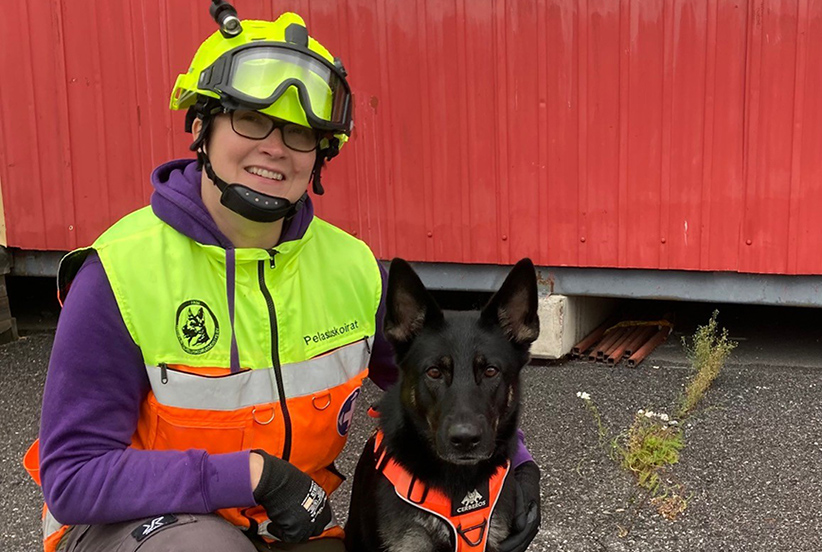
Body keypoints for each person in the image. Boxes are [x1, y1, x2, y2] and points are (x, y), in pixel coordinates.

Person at [25, 5, 541, 552]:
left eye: (299, 133)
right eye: (251, 119)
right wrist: (253, 475)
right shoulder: (121, 275)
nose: (275, 146)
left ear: (320, 154)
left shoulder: (354, 270)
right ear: (200, 127)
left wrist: (517, 464)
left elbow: (452, 371)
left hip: (290, 524)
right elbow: (74, 478)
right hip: (144, 524)